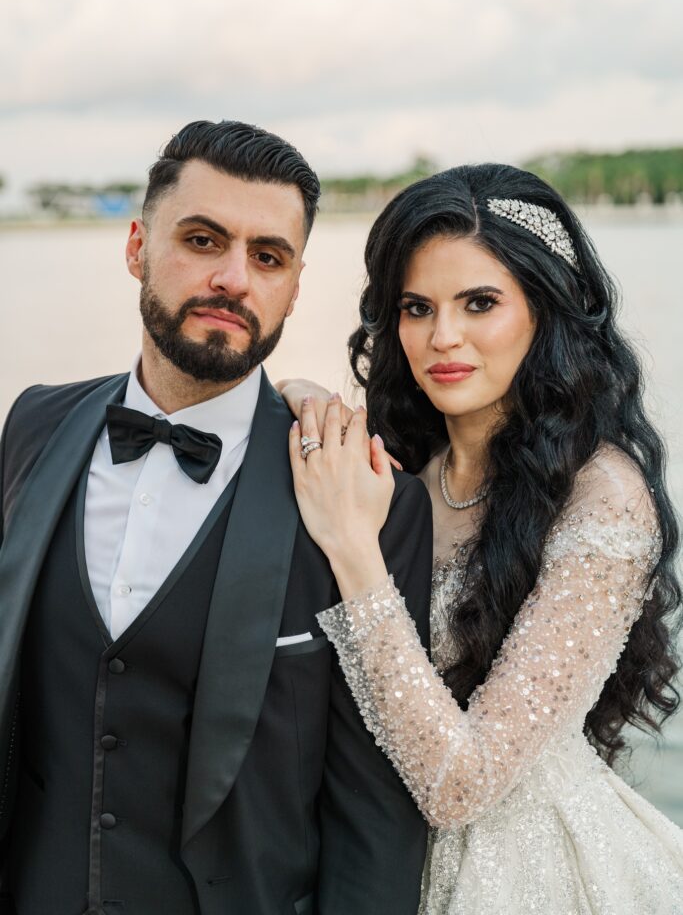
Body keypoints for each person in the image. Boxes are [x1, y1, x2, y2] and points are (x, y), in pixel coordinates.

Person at [0, 120, 433, 915]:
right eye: (202, 240)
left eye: (267, 257)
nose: (234, 278)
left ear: (295, 287)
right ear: (136, 247)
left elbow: (375, 813)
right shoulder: (32, 426)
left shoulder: (365, 493)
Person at [282, 163, 683, 914]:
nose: (442, 337)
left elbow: (460, 783)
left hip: (536, 878)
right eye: (415, 306)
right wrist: (300, 402)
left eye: (479, 303)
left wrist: (353, 550)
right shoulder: (405, 464)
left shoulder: (601, 496)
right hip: (381, 864)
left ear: (545, 309)